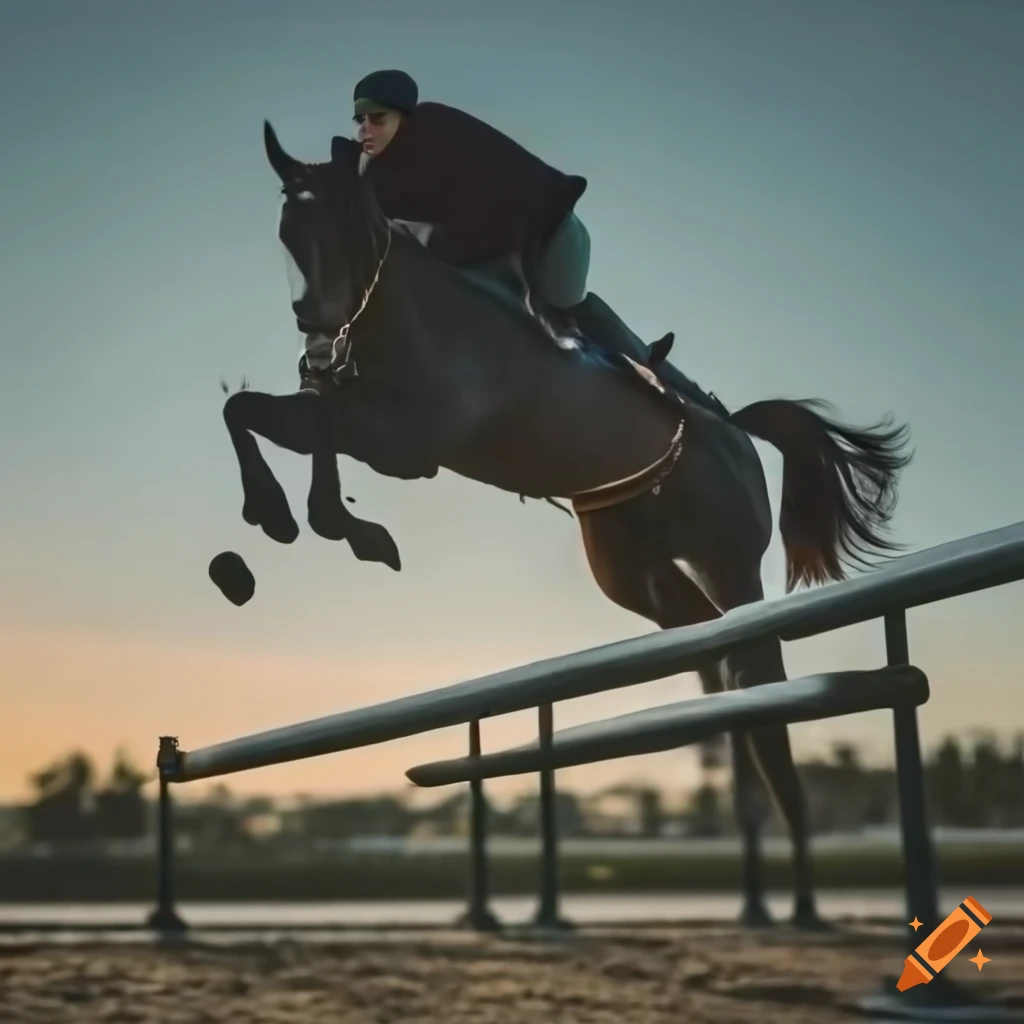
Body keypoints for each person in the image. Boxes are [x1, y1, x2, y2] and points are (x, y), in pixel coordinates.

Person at [339, 69, 674, 371]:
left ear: (406, 119)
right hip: (497, 250)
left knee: (562, 304)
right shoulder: (382, 172)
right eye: (360, 121)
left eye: (377, 119)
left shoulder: (435, 126)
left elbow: (491, 209)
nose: (365, 130)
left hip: (549, 233)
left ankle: (643, 359)